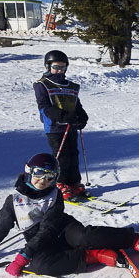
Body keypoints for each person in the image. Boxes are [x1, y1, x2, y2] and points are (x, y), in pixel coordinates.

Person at [0, 153, 139, 276]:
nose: (44, 181)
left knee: (86, 236)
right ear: (28, 172)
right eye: (39, 173)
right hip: (39, 240)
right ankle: (93, 255)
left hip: (63, 229)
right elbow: (0, 228)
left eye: (50, 177)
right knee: (40, 266)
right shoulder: (14, 201)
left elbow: (49, 227)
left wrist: (25, 253)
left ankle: (133, 238)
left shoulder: (55, 195)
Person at [33, 50, 89, 200]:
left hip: (70, 126)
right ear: (48, 66)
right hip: (55, 127)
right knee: (61, 156)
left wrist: (82, 117)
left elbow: (77, 105)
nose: (59, 71)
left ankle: (74, 182)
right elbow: (45, 107)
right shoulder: (42, 85)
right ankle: (60, 183)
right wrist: (64, 116)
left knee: (73, 155)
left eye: (63, 68)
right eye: (56, 67)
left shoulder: (70, 86)